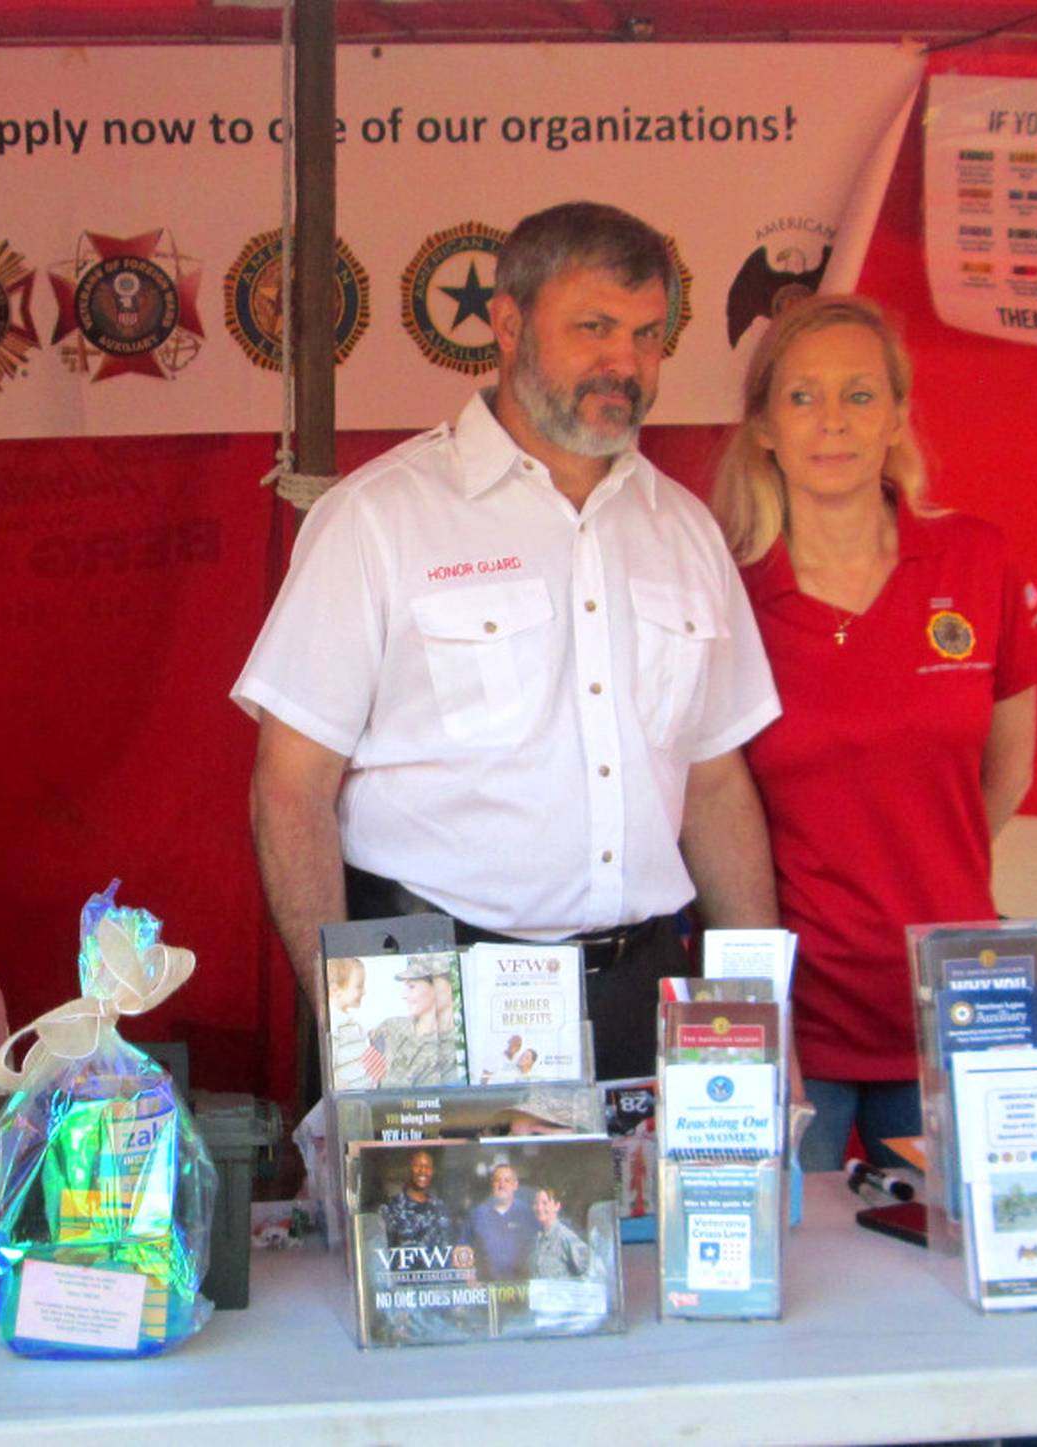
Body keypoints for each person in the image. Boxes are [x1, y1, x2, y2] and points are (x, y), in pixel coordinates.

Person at [236, 200, 781, 1081]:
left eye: (647, 335)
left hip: (637, 987)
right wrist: (360, 1038)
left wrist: (758, 1011)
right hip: (429, 985)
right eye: (593, 328)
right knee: (451, 1226)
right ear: (506, 323)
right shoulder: (381, 517)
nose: (626, 364)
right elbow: (291, 787)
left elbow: (716, 784)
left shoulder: (684, 529)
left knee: (654, 1223)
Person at [712, 294, 1037, 1170]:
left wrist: (923, 865)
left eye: (860, 395)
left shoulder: (977, 560)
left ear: (898, 416)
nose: (833, 422)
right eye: (803, 396)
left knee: (957, 1281)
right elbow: (706, 809)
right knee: (796, 1283)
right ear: (764, 428)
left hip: (952, 1007)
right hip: (791, 1020)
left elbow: (1005, 773)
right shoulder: (725, 592)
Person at [368, 955, 457, 1087]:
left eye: (411, 987)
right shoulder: (389, 1029)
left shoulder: (454, 1048)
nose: (404, 995)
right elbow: (360, 1081)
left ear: (440, 987)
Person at [466, 1162, 539, 1279]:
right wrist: (470, 1279)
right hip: (487, 1287)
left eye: (507, 1181)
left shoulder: (527, 1214)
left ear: (515, 1185)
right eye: (497, 1180)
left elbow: (539, 1249)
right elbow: (463, 1249)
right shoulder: (477, 1214)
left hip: (521, 1287)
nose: (502, 1185)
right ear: (492, 1184)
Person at [379, 1148, 454, 1251]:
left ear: (432, 1171)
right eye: (417, 1166)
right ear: (409, 1169)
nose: (423, 1171)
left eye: (428, 1167)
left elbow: (448, 1247)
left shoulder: (440, 1208)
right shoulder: (391, 1208)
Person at [324, 955, 379, 1091]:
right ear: (336, 990)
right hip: (351, 1100)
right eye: (359, 986)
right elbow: (329, 1068)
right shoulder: (334, 1025)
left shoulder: (352, 1023)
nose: (364, 991)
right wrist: (346, 1091)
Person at [526, 1183, 592, 1279]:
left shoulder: (565, 1236)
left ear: (557, 1206)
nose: (539, 1208)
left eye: (545, 1203)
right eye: (536, 1203)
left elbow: (592, 1270)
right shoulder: (536, 1239)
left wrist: (569, 1290)